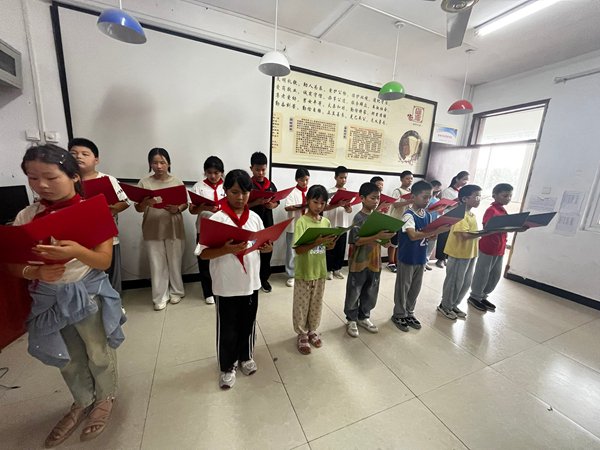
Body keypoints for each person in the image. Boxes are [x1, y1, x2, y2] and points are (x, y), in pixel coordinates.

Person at [11, 145, 125, 447]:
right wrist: (34, 272)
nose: (41, 185)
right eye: (32, 178)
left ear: (74, 176)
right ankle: (82, 399)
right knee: (69, 356)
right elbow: (12, 262)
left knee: (97, 350)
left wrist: (76, 251)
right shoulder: (27, 215)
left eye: (51, 177)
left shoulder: (92, 210)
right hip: (48, 298)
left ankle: (105, 396)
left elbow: (103, 261)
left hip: (86, 292)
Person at [197, 170, 272, 389]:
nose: (240, 197)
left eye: (245, 192)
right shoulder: (217, 220)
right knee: (228, 328)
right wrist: (226, 249)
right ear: (225, 191)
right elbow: (203, 254)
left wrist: (267, 249)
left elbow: (263, 246)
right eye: (235, 192)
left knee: (248, 323)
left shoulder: (255, 219)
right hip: (226, 285)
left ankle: (246, 356)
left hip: (250, 283)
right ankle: (227, 366)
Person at [68, 138, 129, 294]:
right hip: (78, 241)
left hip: (108, 238)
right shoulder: (66, 181)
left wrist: (111, 210)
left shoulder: (107, 179)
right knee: (84, 281)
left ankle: (115, 305)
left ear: (96, 160)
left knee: (111, 277)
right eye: (73, 154)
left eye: (84, 154)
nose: (78, 157)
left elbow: (125, 202)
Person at [392, 181, 450, 331]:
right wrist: (436, 231)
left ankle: (409, 312)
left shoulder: (428, 215)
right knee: (403, 287)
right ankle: (399, 314)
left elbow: (427, 235)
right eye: (424, 197)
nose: (427, 200)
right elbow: (412, 235)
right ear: (413, 197)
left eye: (429, 197)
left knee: (415, 288)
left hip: (420, 257)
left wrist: (434, 234)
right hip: (407, 257)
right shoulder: (408, 215)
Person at [134, 148, 187, 311]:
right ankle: (160, 296)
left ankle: (177, 291)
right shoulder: (144, 182)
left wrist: (178, 208)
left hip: (173, 226)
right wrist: (145, 203)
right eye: (155, 162)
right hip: (152, 227)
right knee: (157, 263)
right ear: (150, 164)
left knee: (175, 260)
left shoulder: (177, 181)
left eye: (162, 162)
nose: (158, 166)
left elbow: (185, 203)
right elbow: (138, 208)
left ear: (168, 164)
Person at [344, 182, 395, 338]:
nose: (376, 201)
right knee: (355, 291)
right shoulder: (358, 217)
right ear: (362, 198)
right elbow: (357, 241)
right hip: (359, 262)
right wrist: (377, 236)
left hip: (374, 261)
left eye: (378, 198)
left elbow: (382, 240)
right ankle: (351, 319)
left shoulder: (378, 218)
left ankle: (364, 316)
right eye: (373, 198)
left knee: (371, 290)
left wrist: (386, 241)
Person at [293, 185, 336, 354]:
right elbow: (298, 249)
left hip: (320, 270)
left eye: (322, 203)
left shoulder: (326, 222)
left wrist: (331, 243)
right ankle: (301, 333)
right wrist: (316, 242)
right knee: (301, 304)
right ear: (307, 201)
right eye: (315, 202)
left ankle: (312, 330)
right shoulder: (302, 222)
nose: (319, 206)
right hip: (304, 271)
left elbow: (328, 247)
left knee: (316, 303)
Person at [468, 183, 516, 312]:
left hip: (500, 247)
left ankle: (483, 295)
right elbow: (488, 228)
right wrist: (506, 227)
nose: (508, 198)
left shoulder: (502, 210)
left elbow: (505, 227)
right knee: (482, 273)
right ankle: (475, 296)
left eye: (510, 196)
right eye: (505, 196)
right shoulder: (491, 210)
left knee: (495, 275)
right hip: (488, 247)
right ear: (495, 195)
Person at [437, 184, 483, 320]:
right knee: (454, 282)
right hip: (458, 254)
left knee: (465, 283)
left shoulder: (471, 214)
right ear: (464, 199)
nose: (479, 199)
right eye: (476, 196)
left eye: (480, 196)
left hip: (470, 253)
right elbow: (464, 235)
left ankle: (453, 305)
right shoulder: (459, 214)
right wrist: (485, 233)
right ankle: (445, 306)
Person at [189, 156, 225, 304]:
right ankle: (208, 292)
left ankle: (221, 288)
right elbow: (192, 210)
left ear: (222, 172)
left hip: (224, 228)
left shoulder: (228, 186)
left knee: (222, 259)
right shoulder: (198, 187)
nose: (213, 176)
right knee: (204, 260)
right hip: (204, 229)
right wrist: (203, 207)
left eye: (216, 172)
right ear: (205, 172)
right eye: (209, 172)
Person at [247, 151, 279, 293]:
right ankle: (251, 279)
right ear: (251, 168)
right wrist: (257, 202)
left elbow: (277, 201)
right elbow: (242, 205)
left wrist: (272, 205)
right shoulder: (247, 184)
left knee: (267, 252)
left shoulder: (270, 185)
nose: (260, 173)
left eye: (263, 170)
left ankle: (264, 279)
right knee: (251, 252)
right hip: (251, 224)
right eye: (257, 169)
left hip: (267, 223)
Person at [435, 171, 470, 268]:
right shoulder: (448, 191)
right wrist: (457, 200)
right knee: (443, 238)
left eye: (467, 180)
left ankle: (446, 258)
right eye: (464, 179)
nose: (466, 182)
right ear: (457, 179)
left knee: (452, 239)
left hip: (457, 217)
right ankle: (440, 259)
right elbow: (443, 206)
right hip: (447, 216)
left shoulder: (462, 192)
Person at [324, 166, 353, 280]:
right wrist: (338, 204)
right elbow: (325, 208)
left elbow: (349, 210)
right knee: (330, 248)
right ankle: (329, 270)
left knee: (341, 249)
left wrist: (347, 208)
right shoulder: (329, 192)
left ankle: (337, 269)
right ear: (335, 177)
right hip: (331, 224)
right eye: (341, 177)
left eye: (345, 178)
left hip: (343, 224)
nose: (343, 180)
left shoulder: (348, 193)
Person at [284, 168, 310, 288]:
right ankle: (291, 275)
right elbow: (287, 207)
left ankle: (304, 272)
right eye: (302, 180)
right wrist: (300, 206)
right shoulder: (292, 192)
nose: (304, 182)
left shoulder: (311, 192)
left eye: (306, 180)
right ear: (296, 180)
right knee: (291, 251)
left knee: (306, 249)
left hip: (307, 227)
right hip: (293, 226)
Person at [387, 170, 414, 272]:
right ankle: (391, 262)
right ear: (401, 179)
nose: (409, 180)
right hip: (396, 220)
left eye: (411, 179)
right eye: (407, 178)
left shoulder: (412, 192)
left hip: (406, 221)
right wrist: (409, 201)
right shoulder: (398, 191)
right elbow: (395, 204)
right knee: (393, 242)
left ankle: (398, 261)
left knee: (402, 243)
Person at [424, 180, 442, 271]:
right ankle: (421, 262)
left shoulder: (438, 200)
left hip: (435, 223)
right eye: (437, 188)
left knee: (431, 244)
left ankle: (425, 261)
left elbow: (439, 213)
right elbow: (422, 211)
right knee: (424, 243)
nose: (438, 190)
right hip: (426, 223)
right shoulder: (427, 199)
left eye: (439, 188)